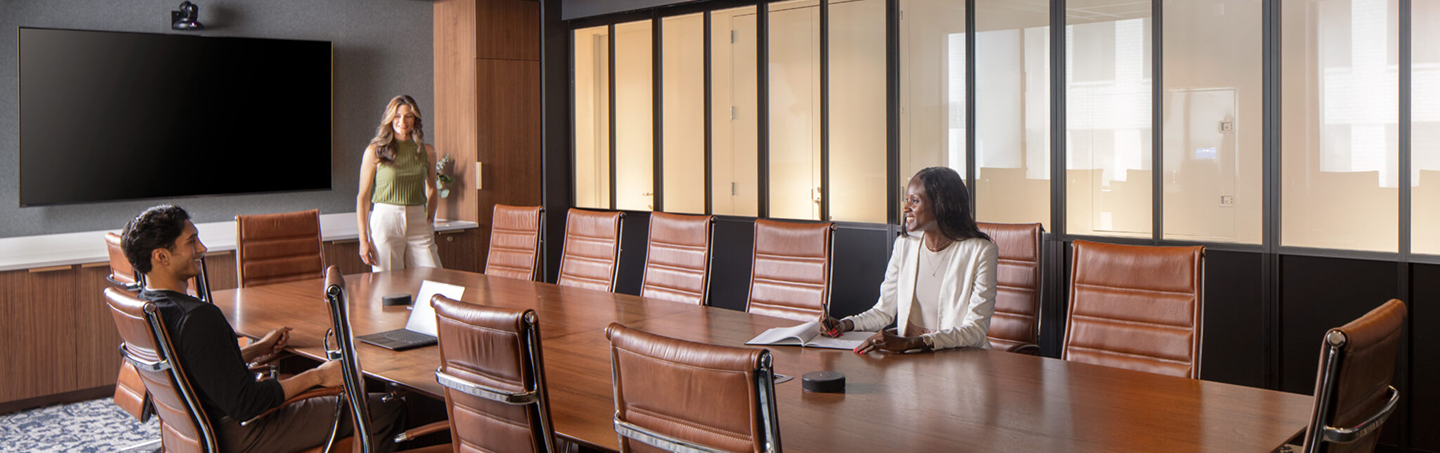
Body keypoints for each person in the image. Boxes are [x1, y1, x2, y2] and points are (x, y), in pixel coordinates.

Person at [121, 205, 406, 453]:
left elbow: (191, 369)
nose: (203, 249)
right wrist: (317, 375)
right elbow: (247, 404)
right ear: (161, 256)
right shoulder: (197, 317)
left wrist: (255, 350)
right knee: (384, 407)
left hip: (194, 434)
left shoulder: (149, 306)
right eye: (191, 241)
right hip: (240, 433)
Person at [819, 167, 999, 353]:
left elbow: (975, 330)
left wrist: (914, 342)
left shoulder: (981, 251)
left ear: (941, 205)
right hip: (912, 360)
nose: (906, 208)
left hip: (961, 362)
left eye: (915, 201)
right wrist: (844, 324)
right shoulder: (904, 245)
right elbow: (883, 311)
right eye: (907, 200)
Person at [357, 95, 442, 271]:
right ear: (390, 119)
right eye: (397, 116)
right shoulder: (375, 151)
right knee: (388, 285)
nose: (402, 121)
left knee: (434, 277)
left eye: (408, 116)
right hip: (386, 220)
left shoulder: (427, 151)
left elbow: (432, 187)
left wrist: (429, 218)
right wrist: (363, 239)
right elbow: (363, 197)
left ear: (415, 119)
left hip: (418, 219)